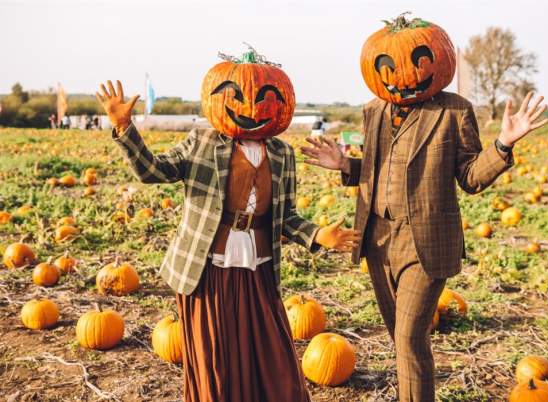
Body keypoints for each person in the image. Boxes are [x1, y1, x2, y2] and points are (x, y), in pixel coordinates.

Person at [301, 13, 548, 402]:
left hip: (425, 243)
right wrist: (344, 166)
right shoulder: (375, 110)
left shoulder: (454, 111)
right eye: (389, 66)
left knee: (410, 335)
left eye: (416, 63)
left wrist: (503, 144)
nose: (402, 74)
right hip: (378, 239)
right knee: (399, 338)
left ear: (436, 61)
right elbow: (375, 167)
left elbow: (469, 177)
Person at [97, 67, 360, 401]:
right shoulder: (202, 143)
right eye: (238, 97)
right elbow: (153, 171)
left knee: (271, 349)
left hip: (259, 268)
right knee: (216, 355)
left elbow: (286, 215)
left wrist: (317, 234)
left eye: (265, 98)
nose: (251, 108)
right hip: (208, 269)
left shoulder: (281, 154)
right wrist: (124, 128)